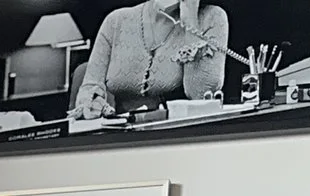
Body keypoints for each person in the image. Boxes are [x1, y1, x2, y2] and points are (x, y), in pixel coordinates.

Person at [70, 0, 231, 118]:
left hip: (178, 139)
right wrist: (92, 104)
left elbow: (201, 96)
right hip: (120, 140)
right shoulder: (116, 21)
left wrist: (190, 21)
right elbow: (88, 91)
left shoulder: (213, 18)